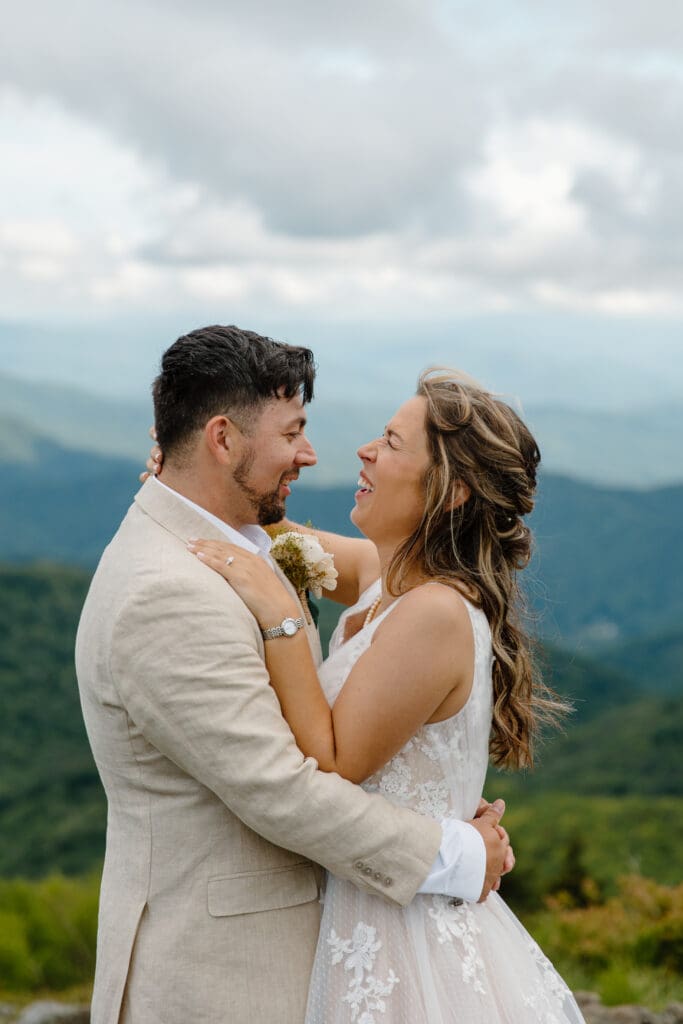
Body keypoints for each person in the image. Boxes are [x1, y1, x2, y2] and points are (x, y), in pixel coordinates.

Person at [75, 326, 512, 1024]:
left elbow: (287, 543)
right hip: (219, 978)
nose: (316, 454)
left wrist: (189, 488)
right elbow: (283, 788)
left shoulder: (389, 586)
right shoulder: (168, 594)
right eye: (293, 433)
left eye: (390, 443)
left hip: (350, 949)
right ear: (223, 439)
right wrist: (459, 852)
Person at [188, 368, 585, 1022]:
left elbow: (335, 761)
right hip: (364, 902)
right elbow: (276, 541)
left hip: (402, 945)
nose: (366, 451)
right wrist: (197, 479)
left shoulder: (433, 614)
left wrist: (280, 620)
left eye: (393, 444)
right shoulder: (386, 575)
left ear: (450, 491)